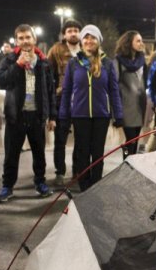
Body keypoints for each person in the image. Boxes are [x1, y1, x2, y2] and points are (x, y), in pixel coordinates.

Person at [0, 24, 56, 202]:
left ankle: (40, 183)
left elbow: (50, 90)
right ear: (16, 41)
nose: (24, 41)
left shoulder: (43, 63)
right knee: (11, 155)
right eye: (20, 38)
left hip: (36, 116)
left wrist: (51, 116)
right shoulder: (9, 60)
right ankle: (7, 187)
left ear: (34, 39)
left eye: (28, 37)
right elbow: (1, 81)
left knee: (39, 154)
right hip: (16, 116)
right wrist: (18, 66)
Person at [59, 24, 123, 191]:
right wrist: (64, 115)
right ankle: (84, 187)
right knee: (82, 153)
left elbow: (114, 91)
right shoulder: (73, 64)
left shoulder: (107, 63)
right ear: (82, 41)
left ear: (98, 41)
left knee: (97, 154)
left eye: (93, 37)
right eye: (86, 37)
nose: (89, 40)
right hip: (80, 116)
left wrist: (118, 115)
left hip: (101, 116)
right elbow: (66, 92)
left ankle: (96, 187)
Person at [47, 19, 82, 185]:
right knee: (60, 139)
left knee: (81, 139)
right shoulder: (56, 50)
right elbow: (48, 74)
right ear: (64, 34)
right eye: (69, 31)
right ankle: (60, 172)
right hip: (63, 100)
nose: (73, 33)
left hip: (83, 100)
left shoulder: (86, 49)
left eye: (76, 30)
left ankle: (77, 171)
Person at [114, 30, 147, 158]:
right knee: (130, 140)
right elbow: (114, 84)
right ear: (129, 43)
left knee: (135, 140)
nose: (141, 43)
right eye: (138, 41)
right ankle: (126, 164)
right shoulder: (118, 60)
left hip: (139, 105)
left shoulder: (142, 60)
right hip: (126, 105)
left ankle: (131, 164)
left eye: (141, 41)